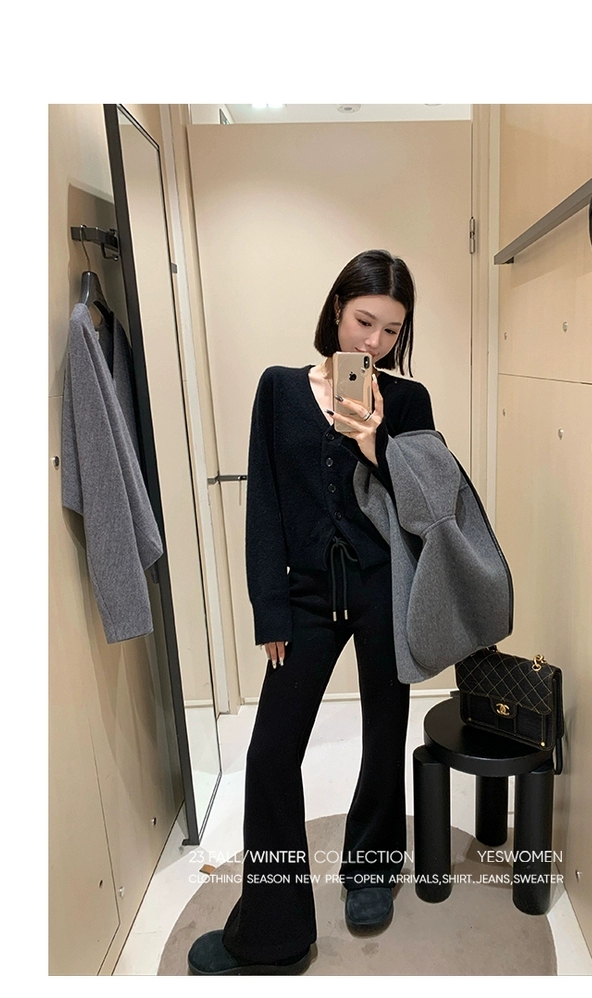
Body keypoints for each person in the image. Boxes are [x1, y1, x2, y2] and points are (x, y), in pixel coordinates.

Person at [188, 249, 436, 976]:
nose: (374, 342)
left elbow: (427, 504)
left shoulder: (409, 400)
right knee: (270, 754)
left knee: (385, 730)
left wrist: (373, 442)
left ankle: (372, 868)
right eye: (364, 321)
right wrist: (270, 609)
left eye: (391, 330)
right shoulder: (279, 389)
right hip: (305, 596)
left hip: (385, 587)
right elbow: (264, 500)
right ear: (336, 310)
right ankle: (274, 933)